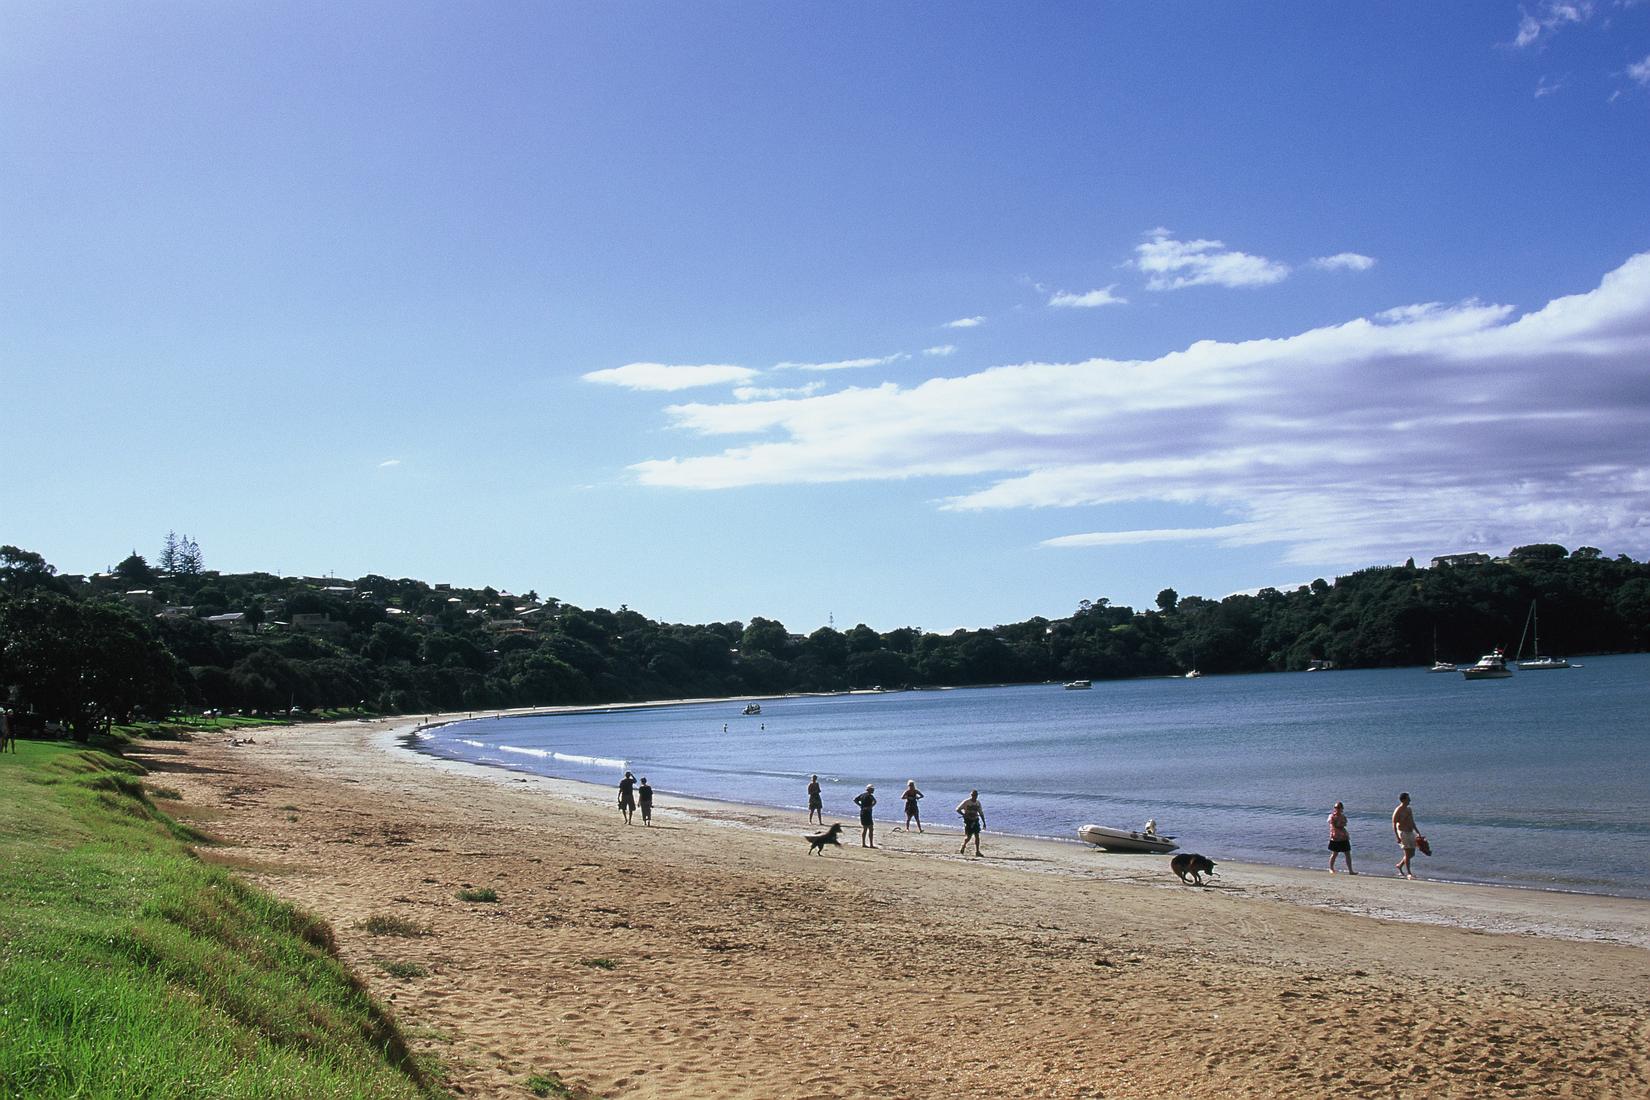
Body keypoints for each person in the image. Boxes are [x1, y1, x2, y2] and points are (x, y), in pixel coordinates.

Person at [1392, 792, 1418, 879]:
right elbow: (1394, 823)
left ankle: (1400, 865)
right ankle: (1409, 873)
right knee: (1407, 852)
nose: (1410, 800)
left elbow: (1412, 821)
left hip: (1410, 832)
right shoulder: (1398, 810)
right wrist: (1397, 837)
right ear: (1403, 800)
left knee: (1412, 853)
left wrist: (1418, 832)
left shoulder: (1409, 809)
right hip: (1403, 832)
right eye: (1408, 798)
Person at [1328, 800, 1355, 875]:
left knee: (1347, 853)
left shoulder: (1343, 817)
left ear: (1342, 808)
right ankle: (1331, 868)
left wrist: (1340, 825)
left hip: (1343, 837)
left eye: (1339, 807)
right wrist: (1339, 825)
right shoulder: (1332, 816)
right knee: (1334, 853)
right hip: (1335, 837)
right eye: (1336, 807)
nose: (1337, 809)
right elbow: (1334, 826)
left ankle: (1350, 870)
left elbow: (1344, 824)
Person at [956, 789, 985, 856]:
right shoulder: (966, 802)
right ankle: (963, 846)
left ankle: (977, 851)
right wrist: (964, 814)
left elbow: (981, 813)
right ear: (971, 795)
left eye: (975, 795)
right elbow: (957, 809)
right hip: (968, 821)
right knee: (968, 837)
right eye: (973, 795)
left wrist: (984, 822)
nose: (974, 796)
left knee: (977, 836)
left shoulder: (978, 803)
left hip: (975, 820)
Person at [853, 784, 877, 848]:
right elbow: (875, 801)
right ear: (869, 790)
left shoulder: (862, 795)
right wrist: (870, 806)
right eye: (872, 789)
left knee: (865, 829)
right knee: (870, 829)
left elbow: (855, 800)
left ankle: (863, 843)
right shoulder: (870, 796)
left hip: (862, 812)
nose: (873, 790)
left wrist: (860, 805)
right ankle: (871, 844)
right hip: (868, 813)